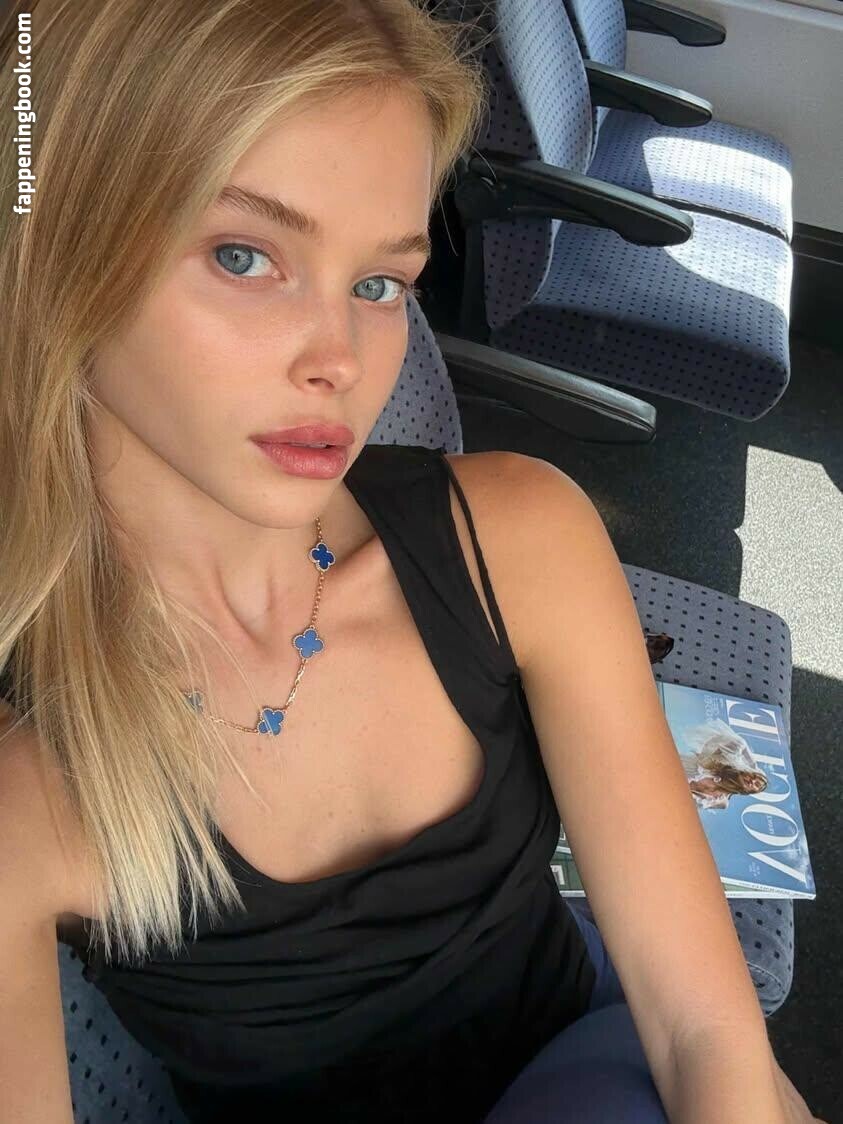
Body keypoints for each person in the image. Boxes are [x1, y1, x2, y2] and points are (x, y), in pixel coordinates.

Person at [0, 1, 825, 1122]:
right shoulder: (30, 780)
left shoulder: (521, 538)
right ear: (56, 256)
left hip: (596, 1055)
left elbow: (699, 1028)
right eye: (245, 256)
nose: (341, 360)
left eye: (380, 285)